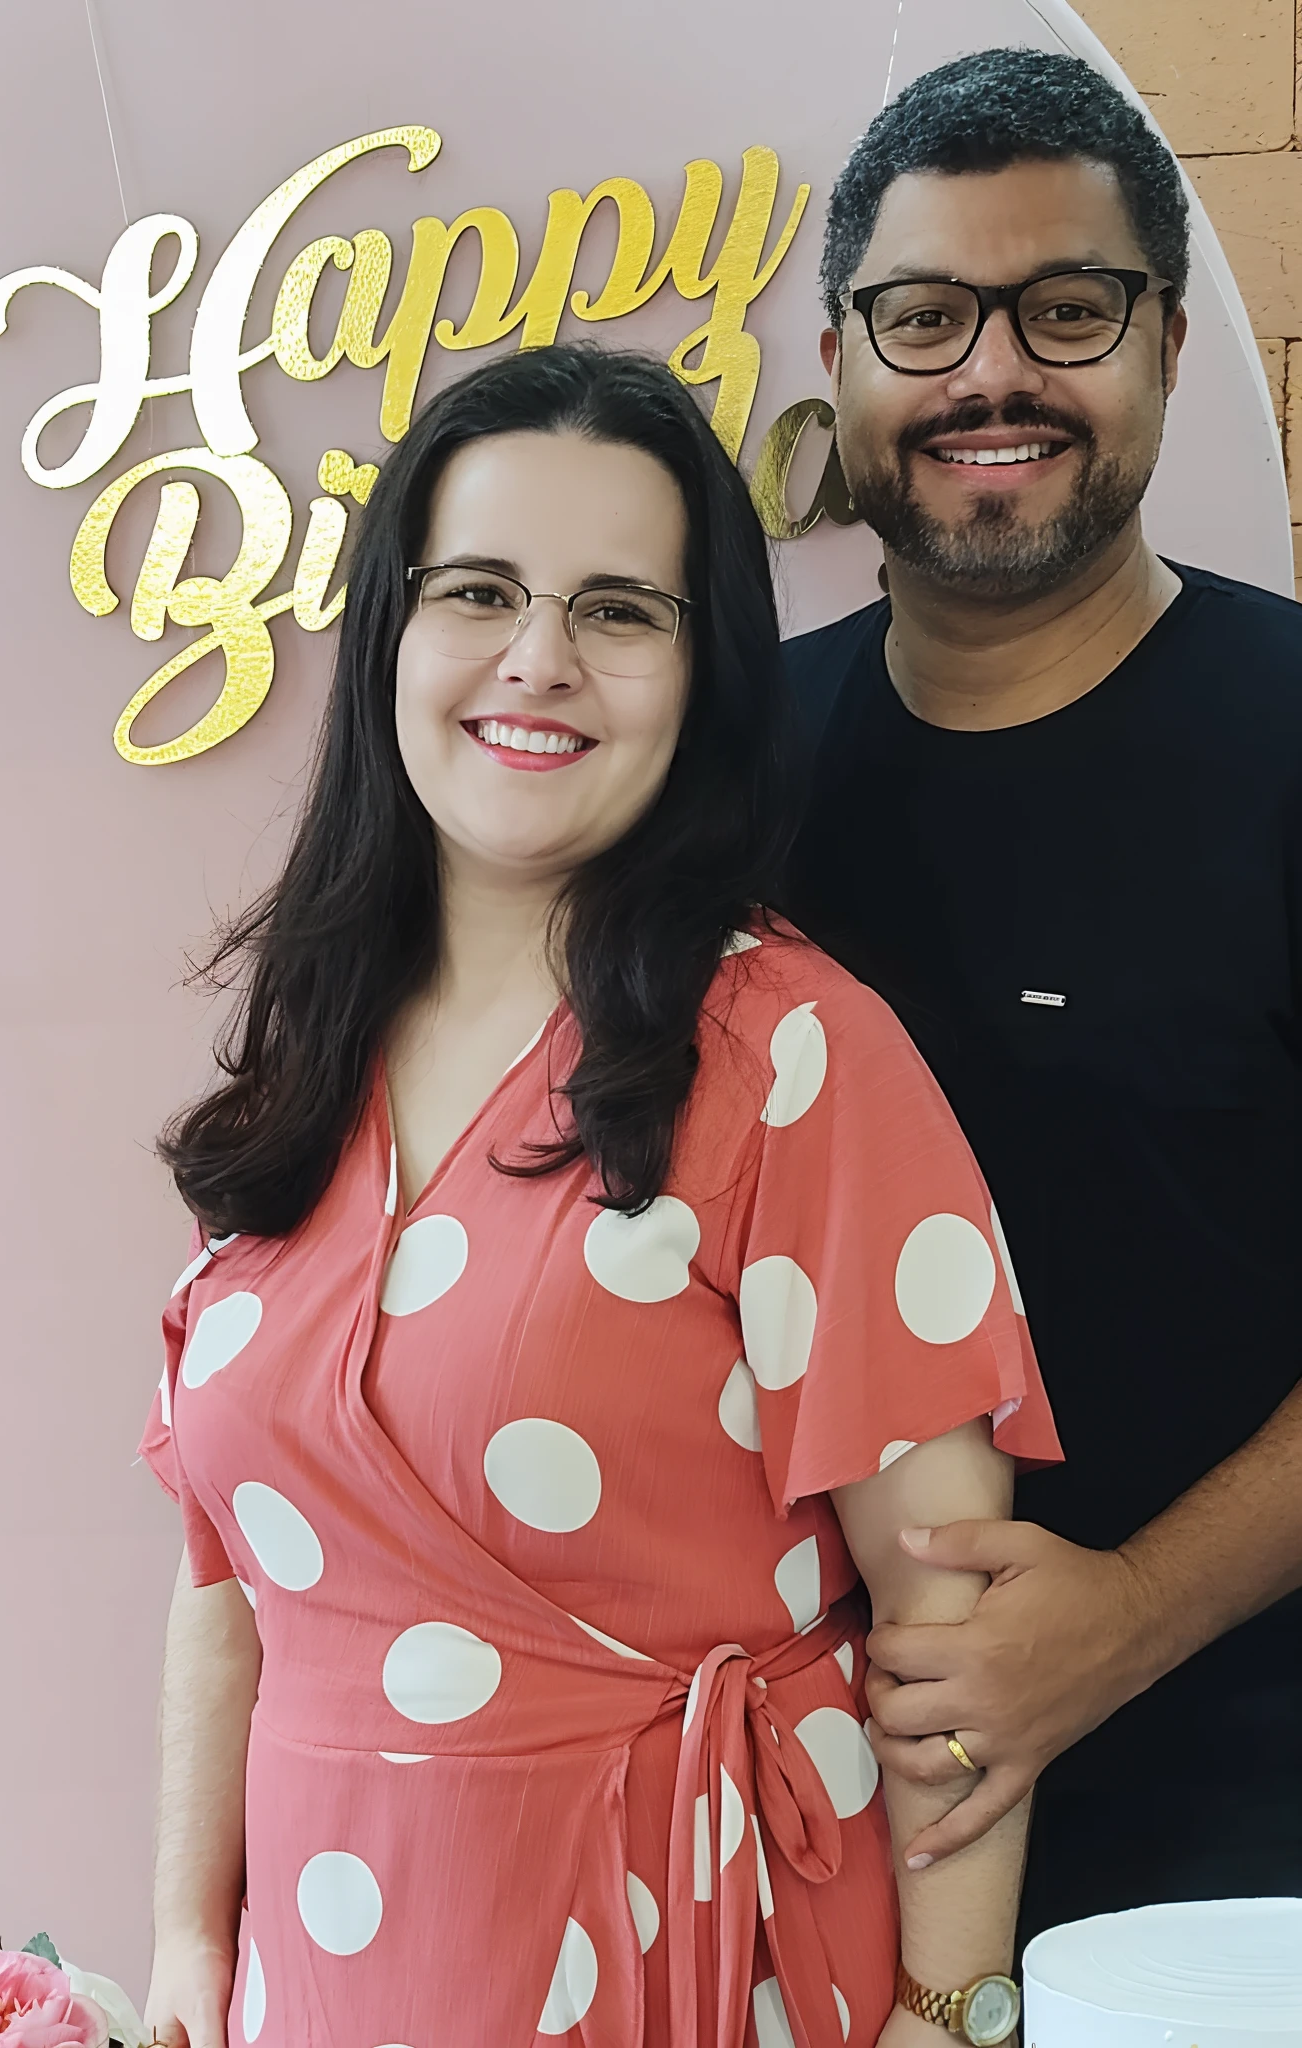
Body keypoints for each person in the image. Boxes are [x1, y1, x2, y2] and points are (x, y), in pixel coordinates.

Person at [137, 344, 1059, 2048]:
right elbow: (230, 1586)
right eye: (480, 589)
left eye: (623, 610)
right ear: (391, 637)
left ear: (703, 675)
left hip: (697, 1954)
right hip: (325, 1983)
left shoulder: (795, 1055)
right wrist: (191, 1947)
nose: (537, 660)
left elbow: (955, 1623)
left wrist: (952, 2015)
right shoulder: (304, 1052)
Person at [781, 48, 1302, 1944]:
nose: (989, 376)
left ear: (1164, 341)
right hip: (789, 1843)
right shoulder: (720, 770)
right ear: (839, 358)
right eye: (924, 317)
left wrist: (1122, 1624)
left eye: (1065, 310)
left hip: (1231, 1854)